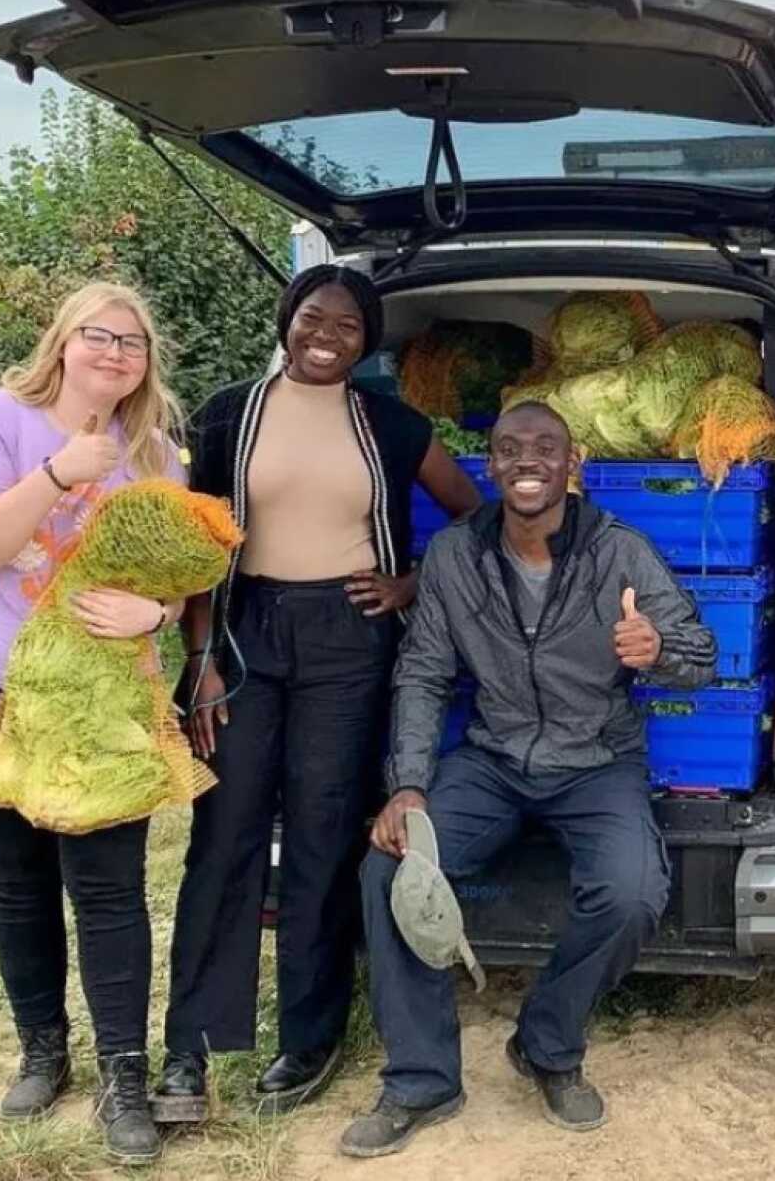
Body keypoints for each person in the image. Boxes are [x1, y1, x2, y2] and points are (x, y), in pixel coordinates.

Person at [340, 401, 716, 1156]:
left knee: (633, 890)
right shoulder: (454, 555)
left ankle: (546, 1044)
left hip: (598, 761)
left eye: (545, 447)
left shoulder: (620, 552)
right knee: (389, 872)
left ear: (571, 462)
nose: (527, 461)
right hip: (495, 758)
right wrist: (409, 784)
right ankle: (421, 1080)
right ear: (493, 464)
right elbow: (421, 675)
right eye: (510, 449)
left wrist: (657, 649)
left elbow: (699, 653)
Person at [152, 265, 482, 1122]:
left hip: (350, 637)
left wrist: (409, 584)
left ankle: (309, 1036)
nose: (325, 334)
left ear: (366, 339)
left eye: (345, 324)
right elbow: (197, 547)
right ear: (287, 321)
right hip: (246, 633)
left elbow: (470, 510)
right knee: (223, 831)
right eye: (311, 317)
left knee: (323, 833)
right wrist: (201, 657)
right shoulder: (230, 411)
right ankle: (190, 1046)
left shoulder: (390, 422)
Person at [0, 282, 187, 1165]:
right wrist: (55, 476)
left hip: (107, 700)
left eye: (135, 342)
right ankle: (43, 1049)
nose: (117, 353)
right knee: (18, 880)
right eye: (100, 335)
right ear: (63, 340)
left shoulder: (154, 451)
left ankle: (124, 1074)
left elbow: (182, 573)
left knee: (110, 888)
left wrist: (156, 615)